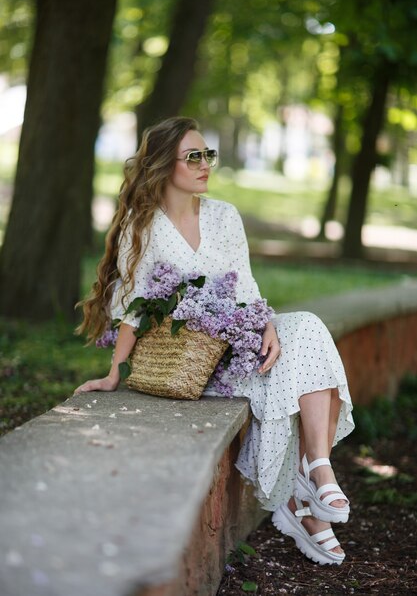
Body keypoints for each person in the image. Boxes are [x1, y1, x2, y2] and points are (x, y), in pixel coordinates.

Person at [75, 116, 354, 566]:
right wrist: (114, 374)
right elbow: (132, 305)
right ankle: (307, 504)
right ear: (165, 166)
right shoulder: (141, 227)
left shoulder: (225, 216)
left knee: (305, 328)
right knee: (293, 369)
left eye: (209, 155)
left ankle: (315, 471)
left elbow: (245, 287)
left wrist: (266, 325)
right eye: (194, 157)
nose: (206, 165)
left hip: (238, 340)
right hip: (194, 362)